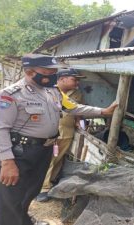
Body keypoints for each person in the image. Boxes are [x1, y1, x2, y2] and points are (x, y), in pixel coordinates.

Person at [0, 54, 118, 225]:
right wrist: (6, 162)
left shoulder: (52, 91)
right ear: (29, 72)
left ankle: (23, 220)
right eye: (47, 71)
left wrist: (102, 112)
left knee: (30, 191)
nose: (52, 75)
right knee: (11, 196)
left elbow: (73, 108)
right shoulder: (9, 95)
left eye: (54, 71)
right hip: (19, 152)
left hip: (42, 150)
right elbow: (0, 130)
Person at [36, 68, 85, 202]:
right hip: (52, 131)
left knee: (58, 159)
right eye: (74, 79)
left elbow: (78, 110)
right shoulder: (49, 91)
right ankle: (42, 188)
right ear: (62, 79)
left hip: (67, 131)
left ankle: (50, 183)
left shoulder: (78, 93)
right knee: (49, 159)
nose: (77, 82)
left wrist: (78, 122)